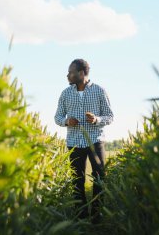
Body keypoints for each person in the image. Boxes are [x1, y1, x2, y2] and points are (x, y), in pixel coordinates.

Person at [54, 59, 114, 223]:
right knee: (77, 180)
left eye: (71, 72)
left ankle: (97, 215)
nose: (68, 75)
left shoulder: (99, 91)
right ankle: (80, 216)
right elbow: (57, 117)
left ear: (81, 73)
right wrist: (66, 121)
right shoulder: (65, 93)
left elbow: (110, 116)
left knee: (99, 178)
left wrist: (96, 119)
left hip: (95, 141)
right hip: (74, 142)